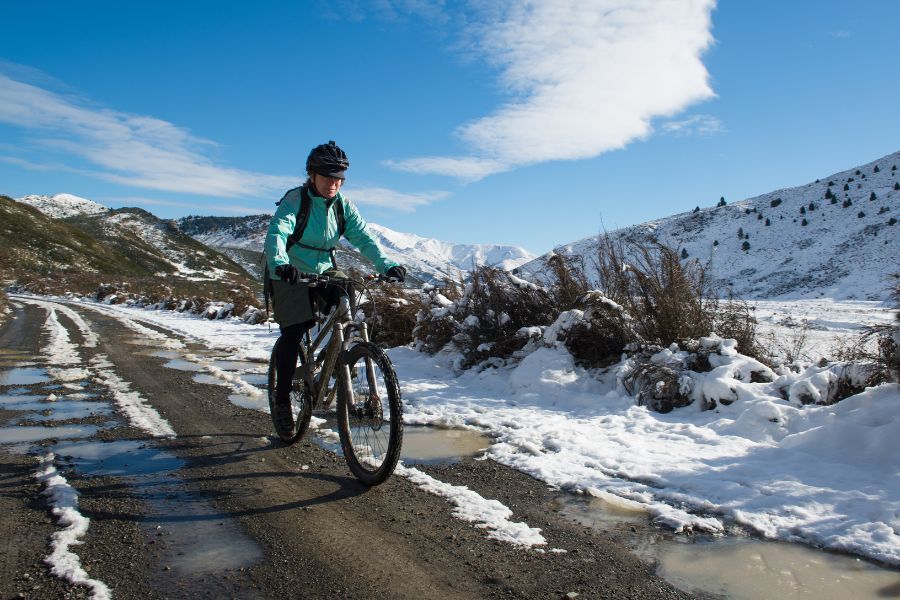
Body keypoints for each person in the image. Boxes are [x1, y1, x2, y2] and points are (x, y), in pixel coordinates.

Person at [264, 140, 406, 409]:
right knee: (294, 331)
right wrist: (281, 263)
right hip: (289, 270)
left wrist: (386, 265)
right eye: (327, 176)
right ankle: (281, 399)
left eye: (339, 178)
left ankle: (339, 359)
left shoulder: (343, 206)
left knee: (346, 298)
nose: (333, 183)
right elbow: (277, 233)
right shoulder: (296, 200)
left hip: (325, 268)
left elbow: (365, 238)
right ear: (312, 175)